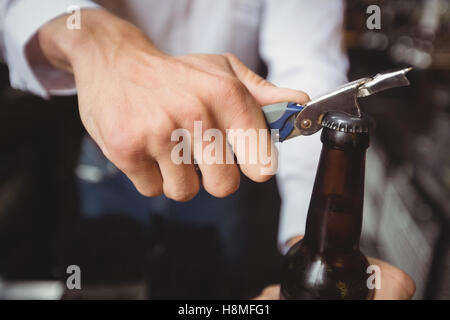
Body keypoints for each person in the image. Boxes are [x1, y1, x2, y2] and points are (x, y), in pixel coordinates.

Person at [0, 0, 415, 299]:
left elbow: (309, 66)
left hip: (222, 169)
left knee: (204, 296)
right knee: (102, 284)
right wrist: (103, 43)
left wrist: (310, 252)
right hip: (114, 161)